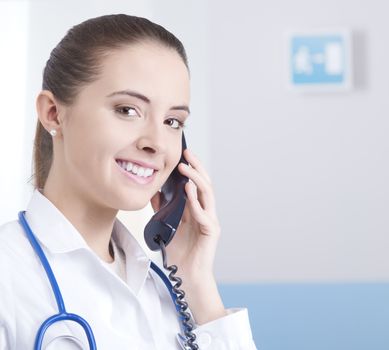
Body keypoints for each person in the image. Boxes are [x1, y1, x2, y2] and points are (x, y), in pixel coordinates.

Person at [0, 14, 257, 349]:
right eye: (127, 110)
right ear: (53, 113)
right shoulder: (9, 273)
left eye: (172, 121)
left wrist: (197, 282)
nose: (156, 141)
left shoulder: (166, 292)